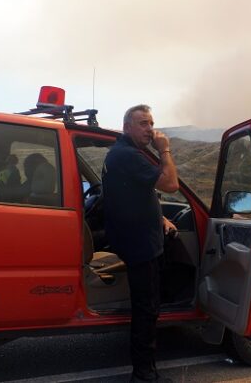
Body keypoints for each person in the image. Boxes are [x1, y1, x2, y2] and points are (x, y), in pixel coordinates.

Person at [102, 104, 178, 382]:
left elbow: (134, 193)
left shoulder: (121, 154)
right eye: (143, 124)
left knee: (148, 306)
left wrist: (160, 219)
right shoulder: (130, 155)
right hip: (140, 246)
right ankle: (144, 374)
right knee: (146, 310)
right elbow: (170, 184)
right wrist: (164, 150)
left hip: (136, 238)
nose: (150, 129)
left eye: (151, 123)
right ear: (127, 127)